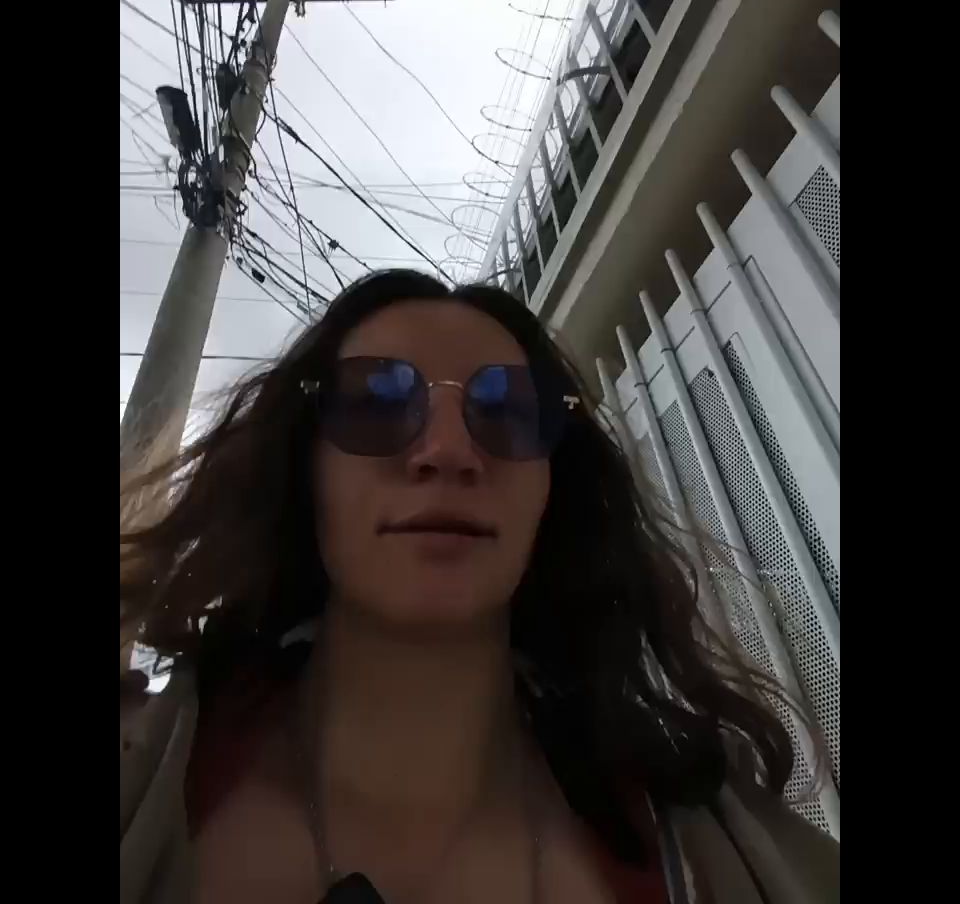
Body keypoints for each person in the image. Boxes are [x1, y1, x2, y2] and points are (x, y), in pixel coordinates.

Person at [120, 269, 839, 904]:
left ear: (553, 490)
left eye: (507, 413)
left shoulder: (729, 851)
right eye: (377, 403)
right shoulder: (146, 772)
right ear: (304, 469)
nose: (448, 452)